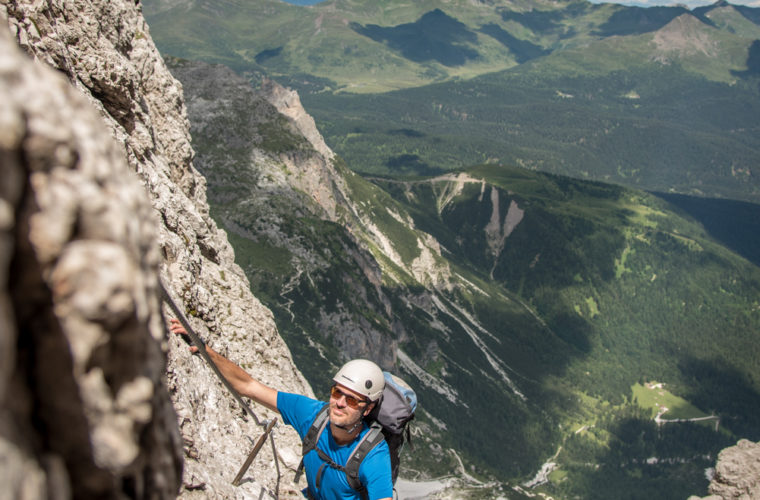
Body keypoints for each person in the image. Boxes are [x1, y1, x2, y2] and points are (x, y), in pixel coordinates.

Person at [169, 319, 393, 500]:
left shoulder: (373, 456)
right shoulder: (312, 415)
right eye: (336, 392)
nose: (340, 403)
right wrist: (205, 349)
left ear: (367, 409)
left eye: (352, 400)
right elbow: (250, 386)